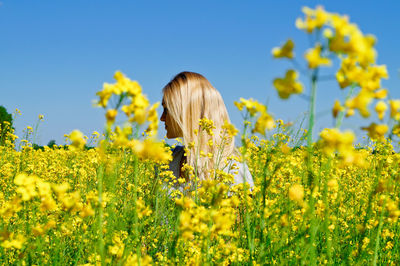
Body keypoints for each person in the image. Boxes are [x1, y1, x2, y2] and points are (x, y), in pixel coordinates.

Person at [160, 71, 253, 191]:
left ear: (188, 113)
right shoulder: (167, 161)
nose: (161, 118)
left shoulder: (232, 171)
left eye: (167, 110)